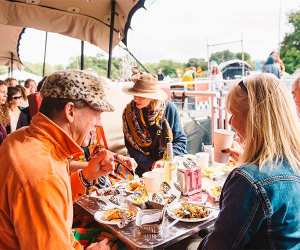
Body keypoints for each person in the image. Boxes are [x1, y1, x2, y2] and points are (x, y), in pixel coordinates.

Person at [0, 70, 118, 249]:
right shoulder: (42, 174)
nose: (99, 122)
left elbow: (51, 199)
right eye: (97, 113)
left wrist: (86, 175)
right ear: (70, 110)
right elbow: (44, 188)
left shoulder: (18, 138)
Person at [199, 73, 300, 249]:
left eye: (233, 114)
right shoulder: (294, 161)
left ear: (254, 119)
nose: (229, 122)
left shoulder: (248, 180)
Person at [122, 73, 187, 176]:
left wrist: (164, 160)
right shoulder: (129, 113)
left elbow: (180, 141)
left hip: (170, 165)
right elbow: (131, 148)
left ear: (153, 97)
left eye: (141, 96)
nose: (136, 99)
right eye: (135, 94)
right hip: (144, 170)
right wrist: (151, 165)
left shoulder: (169, 109)